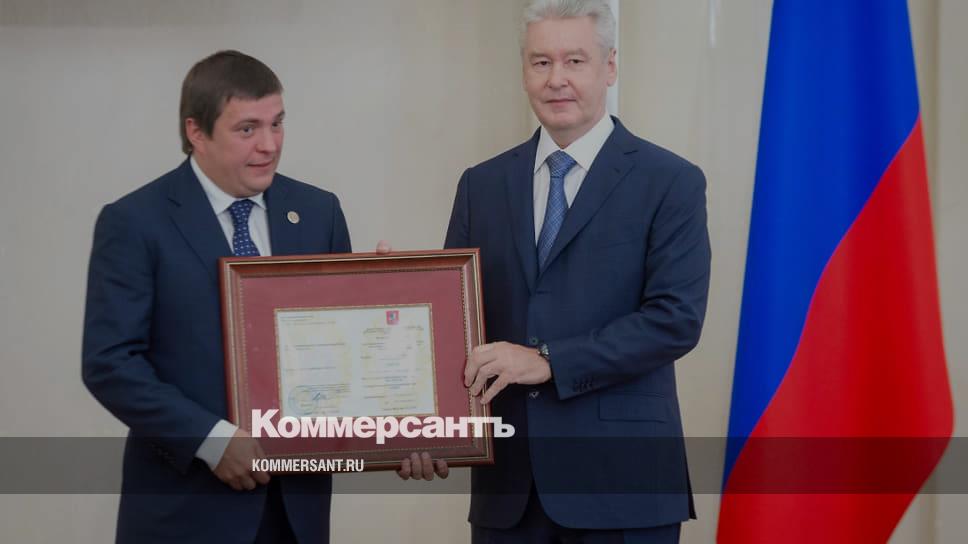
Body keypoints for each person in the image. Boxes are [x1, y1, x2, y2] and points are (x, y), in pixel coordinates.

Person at [399, 1, 711, 542]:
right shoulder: (481, 185)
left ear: (609, 67)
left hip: (624, 487)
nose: (556, 79)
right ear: (524, 70)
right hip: (509, 492)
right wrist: (397, 307)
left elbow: (674, 320)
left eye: (575, 61)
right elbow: (456, 321)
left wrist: (547, 360)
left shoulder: (670, 181)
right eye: (541, 62)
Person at [82, 50, 352, 544]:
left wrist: (387, 299)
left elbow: (341, 347)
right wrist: (211, 439)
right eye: (247, 128)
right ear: (196, 132)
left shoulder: (319, 212)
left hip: (296, 512)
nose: (269, 144)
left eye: (277, 123)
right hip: (185, 511)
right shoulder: (135, 222)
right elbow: (110, 363)